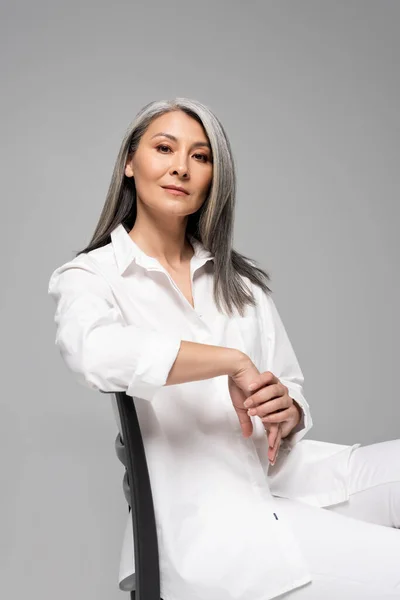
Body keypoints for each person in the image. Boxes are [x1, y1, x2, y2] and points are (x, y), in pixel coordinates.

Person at [48, 98, 400, 600]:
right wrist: (228, 361)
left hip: (282, 478)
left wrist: (289, 410)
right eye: (164, 148)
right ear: (130, 162)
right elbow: (95, 352)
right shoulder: (91, 277)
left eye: (201, 156)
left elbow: (289, 385)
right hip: (211, 518)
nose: (180, 167)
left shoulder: (240, 283)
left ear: (214, 176)